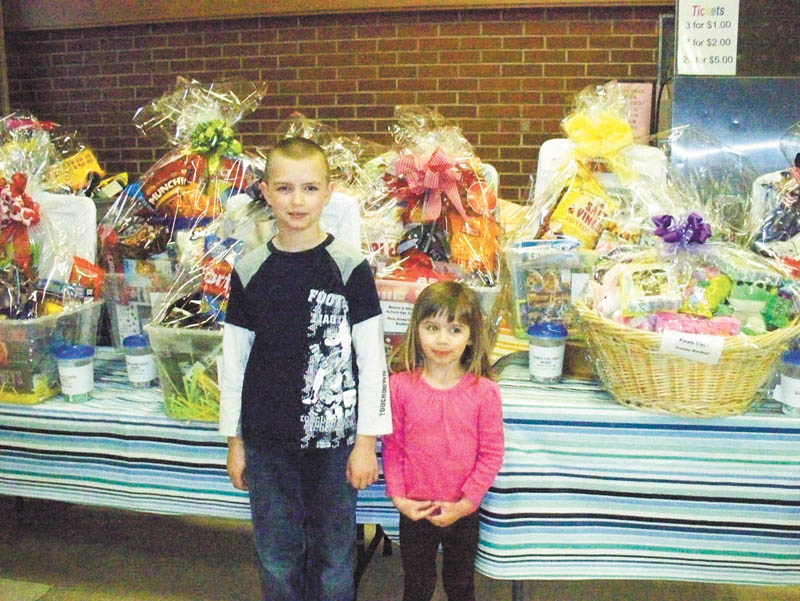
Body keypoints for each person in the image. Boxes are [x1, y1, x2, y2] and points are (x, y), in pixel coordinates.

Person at [218, 136, 391, 601]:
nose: (298, 201)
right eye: (286, 188)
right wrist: (236, 443)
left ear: (328, 192)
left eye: (310, 188)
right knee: (277, 555)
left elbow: (373, 361)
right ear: (266, 192)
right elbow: (233, 362)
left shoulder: (351, 267)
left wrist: (366, 443)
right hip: (266, 442)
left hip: (334, 444)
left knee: (334, 557)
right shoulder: (250, 268)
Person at [381, 281, 505, 601]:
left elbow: (491, 453)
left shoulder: (485, 392)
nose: (441, 339)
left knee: (460, 584)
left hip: (462, 512)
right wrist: (399, 497)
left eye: (454, 329)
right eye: (432, 327)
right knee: (417, 585)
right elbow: (392, 446)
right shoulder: (399, 387)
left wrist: (466, 502)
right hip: (415, 510)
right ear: (416, 330)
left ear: (471, 336)